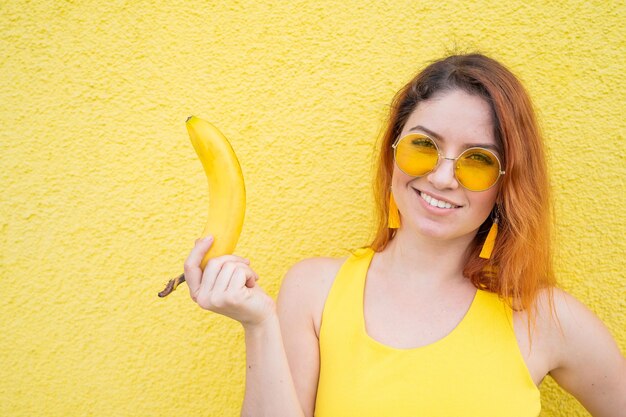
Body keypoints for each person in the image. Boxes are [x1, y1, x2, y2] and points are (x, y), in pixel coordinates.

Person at [183, 53, 625, 416]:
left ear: (508, 181)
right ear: (392, 151)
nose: (443, 177)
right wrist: (258, 324)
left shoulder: (544, 317)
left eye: (477, 160)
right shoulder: (315, 290)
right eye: (423, 146)